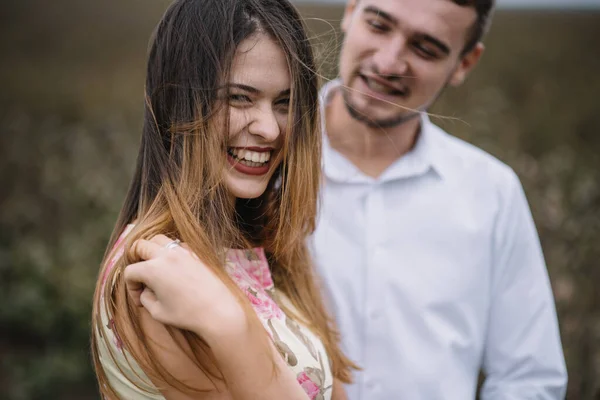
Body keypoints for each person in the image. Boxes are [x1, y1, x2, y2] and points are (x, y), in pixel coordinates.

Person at [90, 0, 357, 398]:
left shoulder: (265, 247)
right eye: (239, 98)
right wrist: (232, 329)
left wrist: (232, 326)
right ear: (176, 101)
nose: (269, 128)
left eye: (284, 103)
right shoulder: (153, 273)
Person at [310, 0, 568, 399]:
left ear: (464, 64)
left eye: (425, 48)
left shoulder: (493, 192)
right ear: (350, 10)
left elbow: (527, 377)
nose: (389, 62)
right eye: (379, 25)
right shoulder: (258, 163)